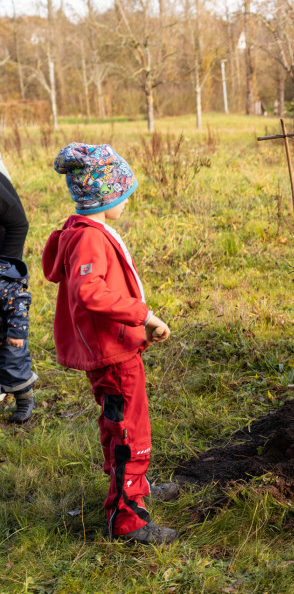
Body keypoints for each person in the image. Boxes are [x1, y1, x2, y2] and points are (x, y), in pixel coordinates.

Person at [43, 143, 180, 545]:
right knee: (129, 433)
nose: (127, 201)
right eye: (125, 193)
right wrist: (144, 316)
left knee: (117, 426)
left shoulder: (82, 230)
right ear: (105, 196)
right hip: (113, 355)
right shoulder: (90, 239)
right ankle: (127, 519)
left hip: (113, 348)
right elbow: (90, 292)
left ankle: (135, 486)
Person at [0, 152, 37, 423]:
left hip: (11, 337)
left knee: (16, 369)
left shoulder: (6, 281)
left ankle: (25, 400)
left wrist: (16, 332)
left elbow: (19, 306)